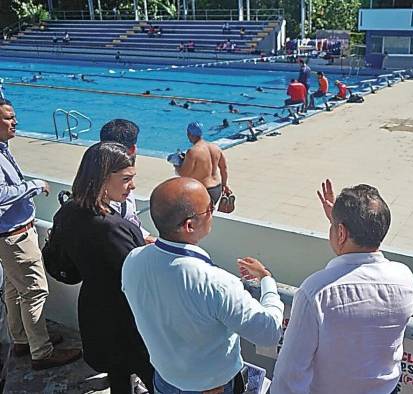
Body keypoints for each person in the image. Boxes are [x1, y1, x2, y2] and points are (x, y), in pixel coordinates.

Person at [122, 177, 284, 393]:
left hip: (164, 381)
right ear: (189, 225)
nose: (213, 211)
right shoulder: (217, 283)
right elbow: (269, 332)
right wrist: (267, 280)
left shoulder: (133, 261)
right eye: (209, 208)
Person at [271, 180, 413, 393]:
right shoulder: (405, 278)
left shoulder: (316, 292)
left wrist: (341, 225)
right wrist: (341, 224)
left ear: (341, 233)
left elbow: (288, 375)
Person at [54, 142, 154, 393]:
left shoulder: (68, 211)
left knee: (117, 375)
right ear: (102, 177)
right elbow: (140, 276)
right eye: (126, 179)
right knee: (154, 378)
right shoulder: (112, 227)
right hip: (128, 319)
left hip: (95, 311)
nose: (132, 187)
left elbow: (64, 264)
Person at [0, 98, 81, 370]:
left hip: (10, 236)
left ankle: (22, 339)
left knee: (14, 290)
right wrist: (32, 186)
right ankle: (41, 352)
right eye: (9, 118)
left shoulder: (3, 149)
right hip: (15, 237)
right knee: (35, 292)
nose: (16, 122)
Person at [99, 119, 156, 244]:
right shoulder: (107, 198)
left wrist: (145, 237)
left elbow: (130, 219)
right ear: (133, 148)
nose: (132, 186)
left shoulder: (120, 185)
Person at [178, 122, 231, 206]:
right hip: (217, 188)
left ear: (189, 134)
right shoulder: (215, 148)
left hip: (202, 190)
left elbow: (184, 174)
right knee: (208, 212)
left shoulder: (193, 152)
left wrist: (177, 165)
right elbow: (224, 169)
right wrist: (224, 185)